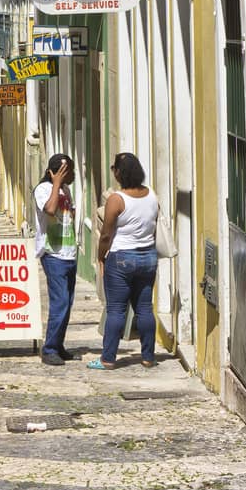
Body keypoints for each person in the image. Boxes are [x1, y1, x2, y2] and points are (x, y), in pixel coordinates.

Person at [89, 152, 160, 370]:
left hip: (121, 258)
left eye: (114, 169)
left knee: (117, 310)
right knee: (145, 309)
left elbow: (106, 235)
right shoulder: (151, 195)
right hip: (148, 256)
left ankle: (108, 358)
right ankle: (148, 357)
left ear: (119, 173)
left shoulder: (116, 200)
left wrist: (101, 256)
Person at [34, 154, 79, 366]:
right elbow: (50, 210)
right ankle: (49, 348)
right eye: (66, 171)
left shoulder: (66, 190)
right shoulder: (43, 190)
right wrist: (56, 184)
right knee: (59, 302)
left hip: (69, 252)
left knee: (67, 303)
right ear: (54, 173)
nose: (71, 175)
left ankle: (58, 345)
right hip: (53, 254)